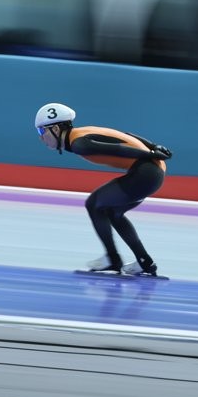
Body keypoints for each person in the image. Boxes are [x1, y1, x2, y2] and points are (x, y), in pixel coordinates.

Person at [34, 102, 171, 275]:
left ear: (55, 128)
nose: (40, 137)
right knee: (114, 213)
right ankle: (144, 261)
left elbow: (118, 149)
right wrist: (153, 146)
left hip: (146, 171)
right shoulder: (80, 133)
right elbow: (125, 135)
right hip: (153, 171)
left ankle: (113, 259)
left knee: (94, 204)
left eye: (41, 131)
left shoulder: (78, 143)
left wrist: (150, 153)